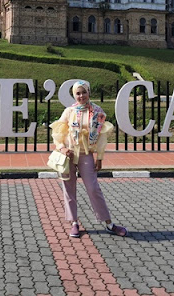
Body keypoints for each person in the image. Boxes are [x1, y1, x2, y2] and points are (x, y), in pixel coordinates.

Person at [49, 80, 128, 238]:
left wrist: (99, 157)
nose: (81, 96)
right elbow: (58, 132)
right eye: (78, 93)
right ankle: (74, 222)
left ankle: (108, 223)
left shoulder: (97, 111)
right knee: (69, 189)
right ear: (74, 95)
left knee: (93, 188)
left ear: (89, 92)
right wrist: (62, 148)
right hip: (69, 154)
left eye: (84, 92)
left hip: (86, 154)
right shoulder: (69, 111)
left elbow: (101, 136)